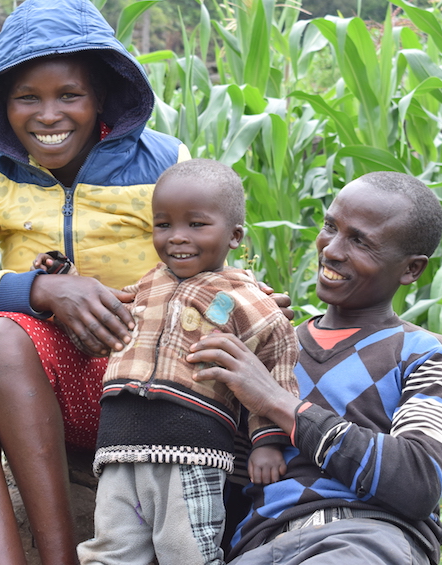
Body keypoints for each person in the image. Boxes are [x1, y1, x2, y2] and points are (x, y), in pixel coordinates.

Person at [0, 0, 191, 565]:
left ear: (100, 99)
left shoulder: (164, 162)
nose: (48, 115)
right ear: (3, 103)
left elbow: (207, 277)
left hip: (136, 392)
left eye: (70, 95)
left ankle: (62, 556)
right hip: (38, 399)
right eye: (26, 98)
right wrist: (41, 289)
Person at [187, 172, 442, 565]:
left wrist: (276, 401)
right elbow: (229, 477)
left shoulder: (428, 354)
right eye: (330, 227)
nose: (332, 250)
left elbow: (419, 481)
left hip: (367, 540)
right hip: (259, 547)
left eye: (360, 241)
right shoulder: (269, 349)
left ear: (411, 270)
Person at [74, 159, 299, 565]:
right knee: (110, 551)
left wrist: (268, 442)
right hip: (119, 446)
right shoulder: (148, 284)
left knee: (187, 551)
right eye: (163, 225)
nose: (177, 238)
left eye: (196, 225)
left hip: (189, 450)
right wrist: (65, 276)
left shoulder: (248, 300)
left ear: (234, 236)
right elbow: (104, 312)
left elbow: (276, 365)